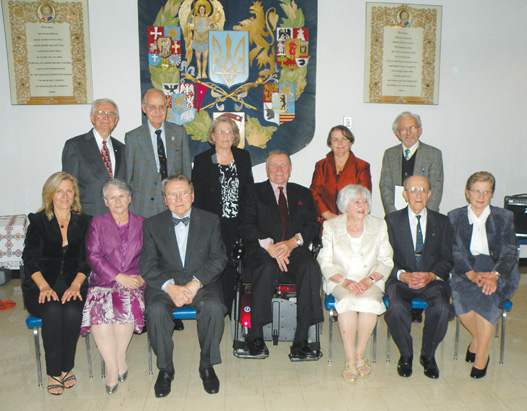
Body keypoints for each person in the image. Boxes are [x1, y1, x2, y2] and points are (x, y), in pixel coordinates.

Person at [139, 174, 227, 397]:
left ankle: (206, 365)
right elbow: (147, 266)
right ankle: (165, 369)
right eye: (172, 194)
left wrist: (196, 283)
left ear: (193, 195)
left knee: (214, 308)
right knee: (156, 311)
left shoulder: (210, 220)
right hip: (166, 285)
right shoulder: (151, 225)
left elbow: (219, 259)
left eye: (184, 193)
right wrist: (170, 287)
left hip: (201, 282)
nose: (179, 198)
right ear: (165, 199)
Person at [239, 150, 324, 360]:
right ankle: (255, 336)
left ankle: (302, 339)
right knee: (266, 267)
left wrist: (291, 243)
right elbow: (245, 226)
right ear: (266, 169)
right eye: (274, 165)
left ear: (291, 169)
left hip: (294, 251)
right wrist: (272, 247)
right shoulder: (253, 191)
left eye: (284, 165)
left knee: (311, 267)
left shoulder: (303, 193)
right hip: (263, 251)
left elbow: (313, 226)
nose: (279, 170)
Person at [22, 172, 91, 395]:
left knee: (71, 312)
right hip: (40, 285)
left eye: (69, 190)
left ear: (75, 195)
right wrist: (43, 286)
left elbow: (87, 259)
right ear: (50, 194)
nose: (64, 195)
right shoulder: (38, 221)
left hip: (74, 282)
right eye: (59, 190)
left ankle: (66, 367)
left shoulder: (84, 221)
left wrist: (76, 285)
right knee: (52, 310)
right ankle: (54, 372)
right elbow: (30, 259)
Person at [317, 185, 393, 382]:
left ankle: (360, 355)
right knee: (348, 303)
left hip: (371, 279)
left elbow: (386, 261)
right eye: (357, 201)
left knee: (369, 304)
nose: (363, 205)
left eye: (365, 201)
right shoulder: (331, 226)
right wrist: (345, 281)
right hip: (340, 280)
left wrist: (369, 281)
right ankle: (349, 359)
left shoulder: (379, 225)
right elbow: (324, 261)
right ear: (345, 206)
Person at [448, 171, 520, 379]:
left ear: (491, 195)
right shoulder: (454, 216)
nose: (481, 196)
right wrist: (470, 274)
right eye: (476, 191)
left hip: (498, 268)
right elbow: (454, 251)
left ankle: (481, 354)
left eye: (486, 192)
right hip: (466, 268)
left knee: (488, 296)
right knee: (463, 309)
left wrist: (495, 275)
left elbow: (509, 250)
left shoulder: (504, 216)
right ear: (467, 192)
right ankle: (478, 340)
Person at [80, 179, 145, 394]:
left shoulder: (143, 223)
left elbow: (152, 256)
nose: (117, 201)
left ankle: (119, 359)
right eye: (112, 197)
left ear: (129, 198)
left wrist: (141, 278)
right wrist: (118, 277)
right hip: (102, 281)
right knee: (100, 315)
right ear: (105, 201)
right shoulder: (97, 224)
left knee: (122, 308)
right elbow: (93, 256)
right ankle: (111, 369)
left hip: (134, 281)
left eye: (121, 196)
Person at [384, 175, 453, 379]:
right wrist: (401, 274)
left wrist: (432, 275)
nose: (418, 195)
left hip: (431, 280)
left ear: (429, 194)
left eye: (423, 190)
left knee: (442, 308)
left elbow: (448, 259)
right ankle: (406, 355)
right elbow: (384, 257)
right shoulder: (391, 221)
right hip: (401, 280)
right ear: (405, 195)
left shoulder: (442, 222)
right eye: (413, 190)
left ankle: (428, 355)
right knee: (395, 308)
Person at [192, 116, 254, 311]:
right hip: (213, 223)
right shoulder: (202, 160)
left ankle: (234, 305)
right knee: (218, 262)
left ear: (235, 135)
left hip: (238, 222)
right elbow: (198, 196)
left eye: (229, 132)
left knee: (235, 263)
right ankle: (220, 304)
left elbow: (249, 190)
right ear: (212, 135)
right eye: (220, 132)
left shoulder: (243, 157)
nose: (225, 136)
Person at [125, 88, 192, 219]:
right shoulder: (133, 138)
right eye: (152, 107)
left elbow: (186, 170)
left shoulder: (179, 133)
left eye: (161, 107)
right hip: (143, 206)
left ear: (167, 107)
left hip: (175, 203)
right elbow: (129, 176)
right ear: (144, 108)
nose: (157, 111)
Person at [62, 98, 126, 217]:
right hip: (87, 217)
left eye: (111, 114)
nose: (106, 117)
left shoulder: (122, 148)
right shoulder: (75, 146)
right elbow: (68, 186)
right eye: (101, 113)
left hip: (117, 217)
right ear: (92, 118)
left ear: (116, 120)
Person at [379, 112, 444, 215]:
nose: (408, 132)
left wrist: (424, 214)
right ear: (398, 134)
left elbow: (436, 188)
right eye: (403, 129)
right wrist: (393, 215)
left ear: (419, 131)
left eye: (412, 128)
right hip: (396, 213)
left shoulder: (433, 154)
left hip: (425, 214)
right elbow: (385, 187)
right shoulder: (389, 154)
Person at [310, 125, 372, 224]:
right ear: (330, 144)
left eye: (344, 139)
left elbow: (364, 196)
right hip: (326, 222)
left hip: (353, 221)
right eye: (335, 140)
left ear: (350, 142)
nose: (340, 143)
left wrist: (346, 219)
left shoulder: (362, 166)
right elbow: (314, 193)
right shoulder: (321, 166)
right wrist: (328, 215)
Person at [189, 2, 214, 79]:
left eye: (203, 9)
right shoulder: (195, 18)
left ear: (205, 10)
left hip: (205, 40)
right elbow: (190, 25)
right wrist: (190, 18)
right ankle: (199, 73)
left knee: (205, 57)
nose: (202, 10)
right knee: (198, 58)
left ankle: (204, 72)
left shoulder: (208, 19)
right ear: (198, 10)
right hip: (197, 40)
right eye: (200, 9)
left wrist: (209, 28)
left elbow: (212, 27)